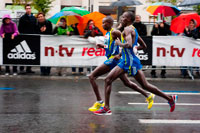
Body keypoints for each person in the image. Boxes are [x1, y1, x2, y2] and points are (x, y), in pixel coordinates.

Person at [94, 12, 178, 115]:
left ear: (129, 19)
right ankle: (170, 98)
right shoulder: (133, 29)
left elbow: (128, 45)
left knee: (108, 79)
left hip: (128, 62)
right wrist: (134, 48)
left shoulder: (128, 29)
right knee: (145, 85)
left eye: (124, 17)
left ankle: (106, 108)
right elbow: (143, 46)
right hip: (130, 60)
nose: (121, 19)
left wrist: (120, 43)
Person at [88, 16, 155, 112]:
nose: (102, 25)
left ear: (110, 23)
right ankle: (148, 95)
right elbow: (112, 45)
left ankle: (100, 102)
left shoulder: (115, 32)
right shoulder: (107, 33)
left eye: (104, 23)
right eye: (102, 23)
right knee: (127, 83)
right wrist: (103, 46)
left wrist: (120, 55)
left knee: (92, 76)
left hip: (114, 60)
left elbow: (125, 43)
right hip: (115, 60)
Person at [18, 4, 37, 74]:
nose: (28, 9)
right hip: (24, 38)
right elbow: (20, 28)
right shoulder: (22, 18)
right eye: (27, 8)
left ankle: (29, 68)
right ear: (25, 10)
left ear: (31, 9)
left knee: (30, 53)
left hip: (32, 38)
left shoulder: (34, 18)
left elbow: (35, 27)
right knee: (23, 53)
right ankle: (22, 68)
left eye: (29, 8)